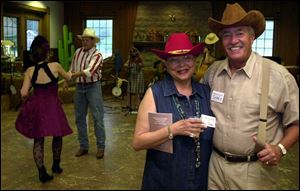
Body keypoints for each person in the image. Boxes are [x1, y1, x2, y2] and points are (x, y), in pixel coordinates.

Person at [201, 3, 299, 189]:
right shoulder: (212, 73)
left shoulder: (278, 76)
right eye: (227, 35)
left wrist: (280, 149)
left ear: (252, 37)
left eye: (240, 33)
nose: (233, 40)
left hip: (254, 171)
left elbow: (296, 122)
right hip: (214, 166)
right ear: (221, 40)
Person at [132, 33, 215, 189]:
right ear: (166, 64)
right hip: (164, 180)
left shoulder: (206, 92)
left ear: (195, 60)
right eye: (174, 60)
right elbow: (138, 142)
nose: (182, 65)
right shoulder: (155, 94)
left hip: (201, 180)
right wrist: (174, 129)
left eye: (187, 58)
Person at [15, 35, 73, 183]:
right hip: (53, 107)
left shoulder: (29, 71)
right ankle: (56, 165)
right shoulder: (55, 66)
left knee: (38, 139)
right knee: (57, 135)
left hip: (37, 108)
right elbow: (68, 77)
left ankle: (42, 172)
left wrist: (27, 97)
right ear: (47, 52)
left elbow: (23, 93)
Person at [63, 28, 106, 159]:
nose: (84, 42)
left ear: (93, 41)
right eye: (83, 40)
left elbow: (89, 71)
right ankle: (83, 146)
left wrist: (72, 75)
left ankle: (101, 147)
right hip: (79, 88)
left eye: (87, 40)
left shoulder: (97, 55)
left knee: (97, 118)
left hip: (93, 87)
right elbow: (72, 68)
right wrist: (66, 80)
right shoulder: (77, 52)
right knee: (79, 118)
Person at [125, 46, 145, 111]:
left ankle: (138, 105)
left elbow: (143, 64)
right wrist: (128, 66)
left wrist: (139, 64)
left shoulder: (139, 57)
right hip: (132, 75)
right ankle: (131, 105)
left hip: (138, 74)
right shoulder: (130, 58)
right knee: (132, 91)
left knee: (138, 91)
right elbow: (125, 65)